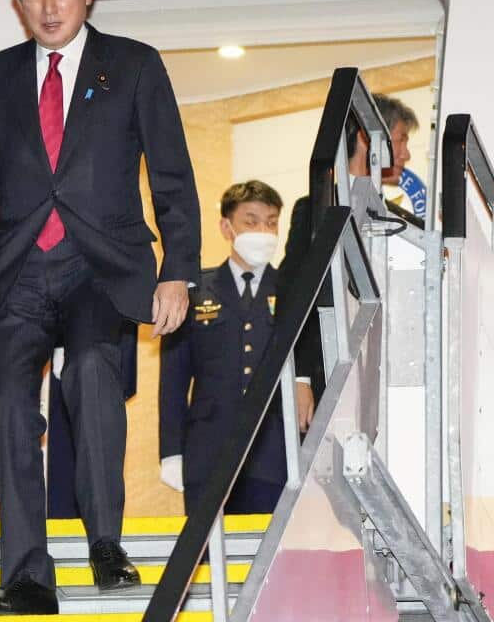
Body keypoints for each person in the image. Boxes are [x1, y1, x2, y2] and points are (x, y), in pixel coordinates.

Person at [0, 0, 201, 614]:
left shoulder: (135, 65)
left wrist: (177, 270)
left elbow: (172, 178)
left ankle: (104, 538)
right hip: (17, 269)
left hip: (101, 266)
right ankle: (28, 578)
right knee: (5, 407)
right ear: (19, 2)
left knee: (90, 374)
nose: (49, 5)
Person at [159, 181, 314, 515]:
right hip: (208, 451)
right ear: (226, 227)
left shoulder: (292, 288)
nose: (263, 230)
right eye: (251, 220)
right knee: (208, 557)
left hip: (274, 453)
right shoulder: (196, 290)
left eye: (271, 221)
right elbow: (173, 379)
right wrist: (171, 450)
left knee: (269, 558)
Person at [277, 93, 419, 402]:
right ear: (368, 138)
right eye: (400, 141)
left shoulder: (404, 224)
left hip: (393, 378)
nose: (406, 155)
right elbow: (295, 293)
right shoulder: (318, 208)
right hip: (327, 375)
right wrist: (300, 378)